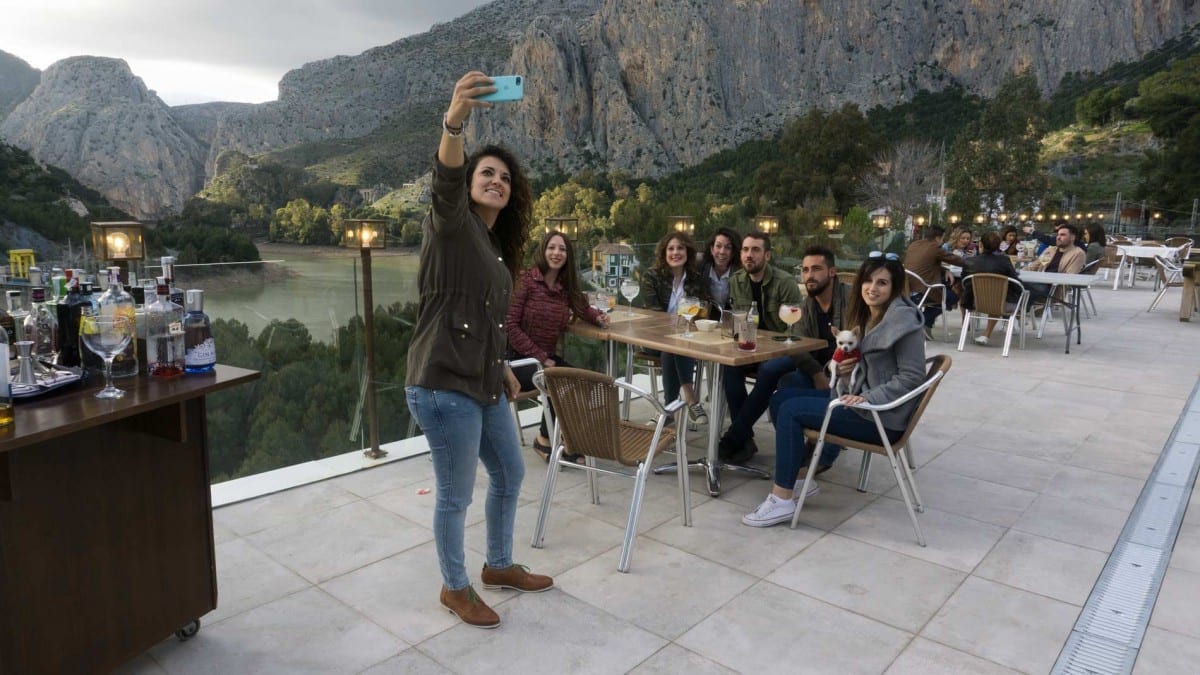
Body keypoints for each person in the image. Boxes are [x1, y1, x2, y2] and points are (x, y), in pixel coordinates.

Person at [405, 72, 553, 630]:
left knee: (511, 475)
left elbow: (487, 322)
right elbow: (444, 180)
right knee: (455, 494)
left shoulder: (492, 248)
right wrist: (456, 119)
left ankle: (498, 565)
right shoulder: (450, 224)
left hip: (483, 381)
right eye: (485, 173)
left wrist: (502, 368)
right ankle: (455, 586)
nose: (496, 181)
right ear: (468, 183)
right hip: (443, 384)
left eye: (505, 178)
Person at [743, 252, 927, 527]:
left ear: (894, 287)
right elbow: (866, 363)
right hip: (861, 403)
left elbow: (912, 377)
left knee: (792, 411)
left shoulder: (904, 323)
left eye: (882, 283)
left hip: (879, 417)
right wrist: (842, 369)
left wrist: (867, 397)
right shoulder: (872, 316)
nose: (872, 288)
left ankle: (782, 499)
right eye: (868, 281)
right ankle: (802, 476)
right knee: (781, 399)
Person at [506, 230, 610, 463]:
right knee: (560, 380)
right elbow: (510, 326)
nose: (556, 253)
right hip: (517, 360)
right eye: (551, 247)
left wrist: (598, 318)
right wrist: (541, 357)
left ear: (568, 255)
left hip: (545, 360)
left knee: (582, 381)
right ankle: (546, 439)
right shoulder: (526, 281)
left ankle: (559, 437)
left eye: (562, 249)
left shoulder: (565, 287)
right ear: (543, 250)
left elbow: (583, 308)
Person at [717, 231, 803, 463]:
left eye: (755, 250)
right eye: (745, 250)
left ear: (767, 255)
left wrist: (768, 348)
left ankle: (735, 436)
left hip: (785, 349)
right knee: (730, 367)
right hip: (751, 346)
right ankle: (744, 439)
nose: (748, 255)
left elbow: (795, 330)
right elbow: (738, 322)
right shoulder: (736, 280)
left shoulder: (784, 283)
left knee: (769, 370)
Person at [639, 231, 711, 425]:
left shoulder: (696, 279)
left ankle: (668, 410)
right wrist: (680, 323)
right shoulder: (651, 277)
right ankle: (691, 397)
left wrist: (687, 322)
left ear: (688, 252)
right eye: (671, 249)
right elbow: (654, 315)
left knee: (675, 346)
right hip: (654, 337)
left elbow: (704, 309)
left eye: (680, 248)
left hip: (686, 338)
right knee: (674, 345)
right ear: (664, 253)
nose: (675, 252)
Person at [960, 231, 1022, 345]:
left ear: (981, 245)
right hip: (1000, 304)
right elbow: (1016, 283)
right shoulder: (1004, 261)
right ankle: (1014, 320)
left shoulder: (970, 261)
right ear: (998, 246)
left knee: (996, 295)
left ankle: (982, 334)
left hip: (975, 302)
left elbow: (964, 281)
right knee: (1001, 295)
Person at [904, 225, 964, 340]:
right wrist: (973, 262)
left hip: (907, 289)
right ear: (938, 238)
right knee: (952, 298)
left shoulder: (914, 245)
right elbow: (956, 260)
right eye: (942, 238)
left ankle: (925, 325)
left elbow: (926, 263)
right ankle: (924, 322)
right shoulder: (934, 248)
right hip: (923, 290)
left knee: (944, 292)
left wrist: (945, 270)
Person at [1025, 222, 1086, 305]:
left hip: (1054, 288)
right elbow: (1034, 266)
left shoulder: (1078, 253)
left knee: (1021, 287)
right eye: (1058, 235)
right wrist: (1016, 274)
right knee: (1013, 283)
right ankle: (1016, 309)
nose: (1058, 237)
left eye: (1062, 235)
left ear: (1072, 237)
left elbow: (1069, 277)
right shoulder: (1050, 250)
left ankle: (1021, 308)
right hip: (1038, 283)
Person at [700, 227, 741, 314]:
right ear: (711, 249)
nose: (722, 251)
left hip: (730, 320)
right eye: (718, 246)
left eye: (728, 247)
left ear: (733, 252)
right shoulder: (700, 269)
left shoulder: (740, 274)